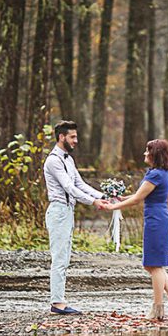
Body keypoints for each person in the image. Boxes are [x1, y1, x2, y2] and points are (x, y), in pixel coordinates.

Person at [99, 139, 168, 321]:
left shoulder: (155, 174)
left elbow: (137, 200)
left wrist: (112, 207)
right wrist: (122, 198)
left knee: (154, 265)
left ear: (155, 154)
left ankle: (158, 308)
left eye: (147, 151)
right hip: (157, 219)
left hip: (156, 221)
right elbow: (141, 195)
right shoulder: (159, 173)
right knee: (152, 265)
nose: (144, 154)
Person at [43, 120, 104, 314]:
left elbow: (80, 183)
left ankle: (59, 300)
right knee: (59, 258)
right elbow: (69, 188)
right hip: (58, 211)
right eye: (72, 137)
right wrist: (93, 202)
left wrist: (103, 196)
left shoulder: (68, 159)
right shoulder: (54, 160)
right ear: (61, 137)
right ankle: (57, 303)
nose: (76, 140)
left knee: (65, 257)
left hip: (68, 211)